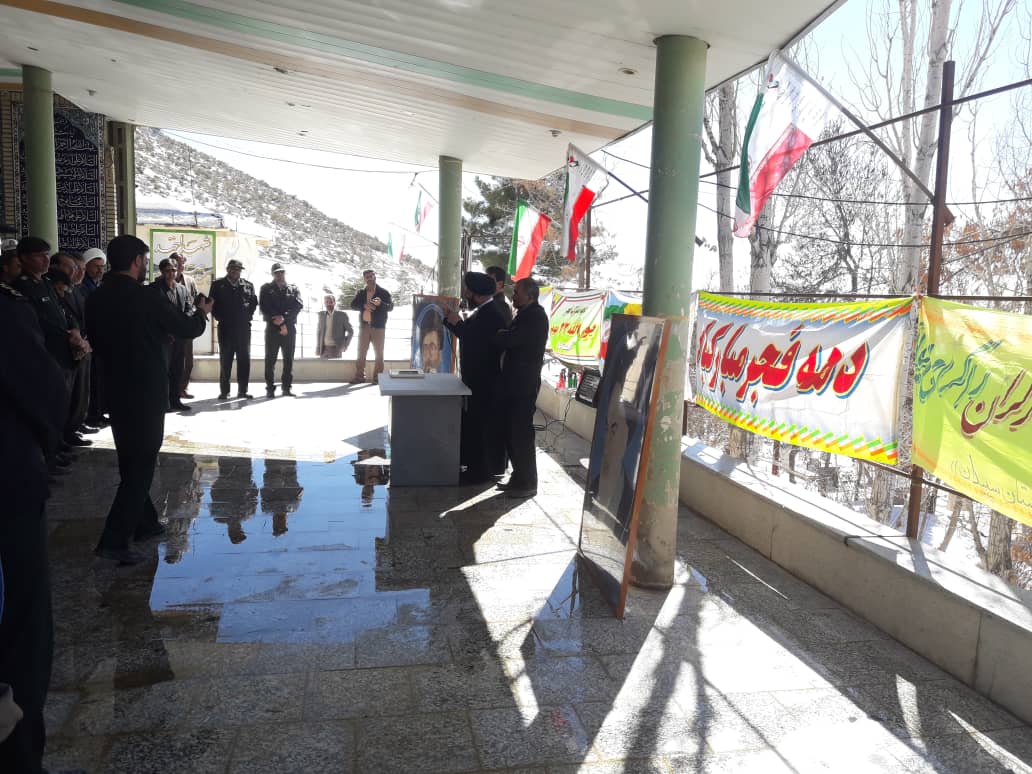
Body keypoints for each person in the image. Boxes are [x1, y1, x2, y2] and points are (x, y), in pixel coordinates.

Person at [86, 235, 212, 565]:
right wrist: (202, 312)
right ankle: (114, 541)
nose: (145, 267)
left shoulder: (96, 298)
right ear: (136, 262)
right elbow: (186, 327)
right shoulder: (145, 297)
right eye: (144, 261)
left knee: (131, 459)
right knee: (141, 465)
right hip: (144, 392)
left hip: (115, 389)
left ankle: (145, 523)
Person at [0, 274, 69, 773]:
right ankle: (19, 758)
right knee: (21, 628)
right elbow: (45, 390)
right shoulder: (7, 310)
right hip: (7, 487)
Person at [444, 271, 507, 484]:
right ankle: (472, 466)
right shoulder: (482, 310)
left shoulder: (492, 314)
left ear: (478, 295)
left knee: (481, 427)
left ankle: (479, 472)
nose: (465, 295)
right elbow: (469, 333)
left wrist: (457, 323)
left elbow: (476, 341)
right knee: (473, 424)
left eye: (468, 292)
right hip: (475, 380)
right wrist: (451, 321)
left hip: (485, 381)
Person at [494, 277, 549, 498]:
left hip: (523, 384)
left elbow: (512, 339)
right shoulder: (524, 314)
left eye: (517, 292)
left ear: (530, 296)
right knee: (511, 432)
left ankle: (527, 483)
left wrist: (501, 335)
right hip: (513, 382)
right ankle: (518, 478)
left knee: (521, 434)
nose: (513, 296)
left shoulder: (535, 317)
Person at [210, 258, 258, 400]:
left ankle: (243, 391)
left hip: (243, 329)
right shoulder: (218, 285)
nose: (235, 271)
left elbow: (253, 303)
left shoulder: (248, 285)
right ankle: (224, 391)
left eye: (238, 269)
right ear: (228, 270)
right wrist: (221, 317)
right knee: (226, 360)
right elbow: (212, 305)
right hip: (226, 328)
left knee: (244, 360)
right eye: (233, 269)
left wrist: (247, 316)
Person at [151, 258, 194, 411]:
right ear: (162, 272)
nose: (171, 274)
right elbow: (154, 314)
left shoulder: (182, 289)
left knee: (178, 370)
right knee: (164, 372)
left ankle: (175, 400)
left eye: (173, 270)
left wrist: (185, 322)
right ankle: (164, 402)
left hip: (180, 337)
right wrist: (166, 330)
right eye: (168, 271)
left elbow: (189, 308)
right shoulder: (155, 289)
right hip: (164, 338)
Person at [259, 262, 303, 398]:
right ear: (272, 274)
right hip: (272, 328)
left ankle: (286, 388)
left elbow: (298, 307)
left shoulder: (293, 289)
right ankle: (270, 388)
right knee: (270, 359)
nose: (279, 275)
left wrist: (284, 319)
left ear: (284, 273)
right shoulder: (266, 288)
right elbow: (265, 307)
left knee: (288, 359)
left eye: (281, 272)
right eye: (276, 272)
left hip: (289, 329)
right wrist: (279, 322)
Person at [349, 269, 393, 383]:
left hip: (378, 328)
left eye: (371, 276)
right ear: (364, 279)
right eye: (367, 277)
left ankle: (377, 378)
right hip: (364, 327)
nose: (369, 278)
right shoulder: (361, 293)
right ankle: (359, 376)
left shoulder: (383, 292)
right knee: (361, 352)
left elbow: (390, 307)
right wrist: (364, 306)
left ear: (375, 277)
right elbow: (353, 305)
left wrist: (381, 304)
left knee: (379, 353)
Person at [80, 248, 108, 427]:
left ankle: (98, 413)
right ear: (86, 266)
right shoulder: (82, 287)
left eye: (102, 267)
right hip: (88, 340)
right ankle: (90, 416)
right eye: (96, 266)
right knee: (90, 381)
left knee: (98, 380)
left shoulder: (96, 285)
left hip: (98, 341)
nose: (100, 270)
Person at [171, 252, 199, 400]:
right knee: (172, 361)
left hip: (186, 328)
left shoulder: (189, 281)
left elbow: (196, 300)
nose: (181, 266)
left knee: (188, 361)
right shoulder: (161, 281)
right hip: (170, 329)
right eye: (178, 263)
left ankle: (182, 388)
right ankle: (171, 391)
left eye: (182, 263)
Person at [316, 294, 353, 359]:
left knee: (335, 366)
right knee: (322, 366)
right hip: (323, 349)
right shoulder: (321, 315)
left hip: (336, 349)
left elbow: (350, 331)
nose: (328, 304)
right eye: (326, 302)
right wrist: (318, 348)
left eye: (330, 302)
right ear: (324, 303)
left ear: (334, 303)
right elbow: (319, 333)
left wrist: (345, 345)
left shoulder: (342, 315)